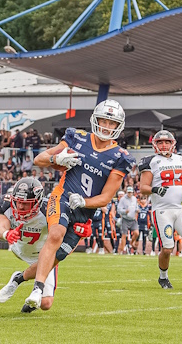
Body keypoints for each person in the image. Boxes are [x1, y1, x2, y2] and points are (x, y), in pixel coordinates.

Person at [24, 99, 135, 311]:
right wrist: (58, 158)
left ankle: (20, 280)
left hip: (84, 212)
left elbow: (106, 197)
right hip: (63, 197)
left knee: (60, 255)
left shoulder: (120, 157)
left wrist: (85, 201)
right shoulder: (77, 138)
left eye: (112, 123)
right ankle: (37, 288)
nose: (106, 126)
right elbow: (40, 159)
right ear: (96, 119)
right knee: (55, 234)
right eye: (104, 120)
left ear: (118, 126)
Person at [139, 130, 182, 290]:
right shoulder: (151, 161)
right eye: (160, 142)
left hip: (181, 208)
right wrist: (155, 190)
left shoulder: (181, 159)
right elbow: (143, 187)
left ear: (172, 144)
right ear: (155, 144)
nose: (164, 145)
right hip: (162, 210)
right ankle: (163, 277)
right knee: (167, 249)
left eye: (167, 142)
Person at [0, 178, 57, 313]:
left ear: (38, 202)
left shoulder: (49, 210)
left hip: (42, 254)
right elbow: (0, 228)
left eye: (25, 203)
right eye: (18, 202)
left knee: (46, 304)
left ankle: (19, 281)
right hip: (19, 249)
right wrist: (7, 234)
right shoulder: (6, 204)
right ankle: (20, 279)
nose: (21, 207)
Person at [117, 186, 139, 254]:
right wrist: (125, 211)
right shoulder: (123, 199)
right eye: (128, 192)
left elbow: (136, 207)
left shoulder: (134, 199)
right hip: (125, 219)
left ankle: (131, 242)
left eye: (131, 192)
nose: (130, 194)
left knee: (136, 233)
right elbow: (119, 209)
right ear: (127, 192)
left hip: (132, 219)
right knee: (124, 235)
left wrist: (137, 210)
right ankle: (122, 250)